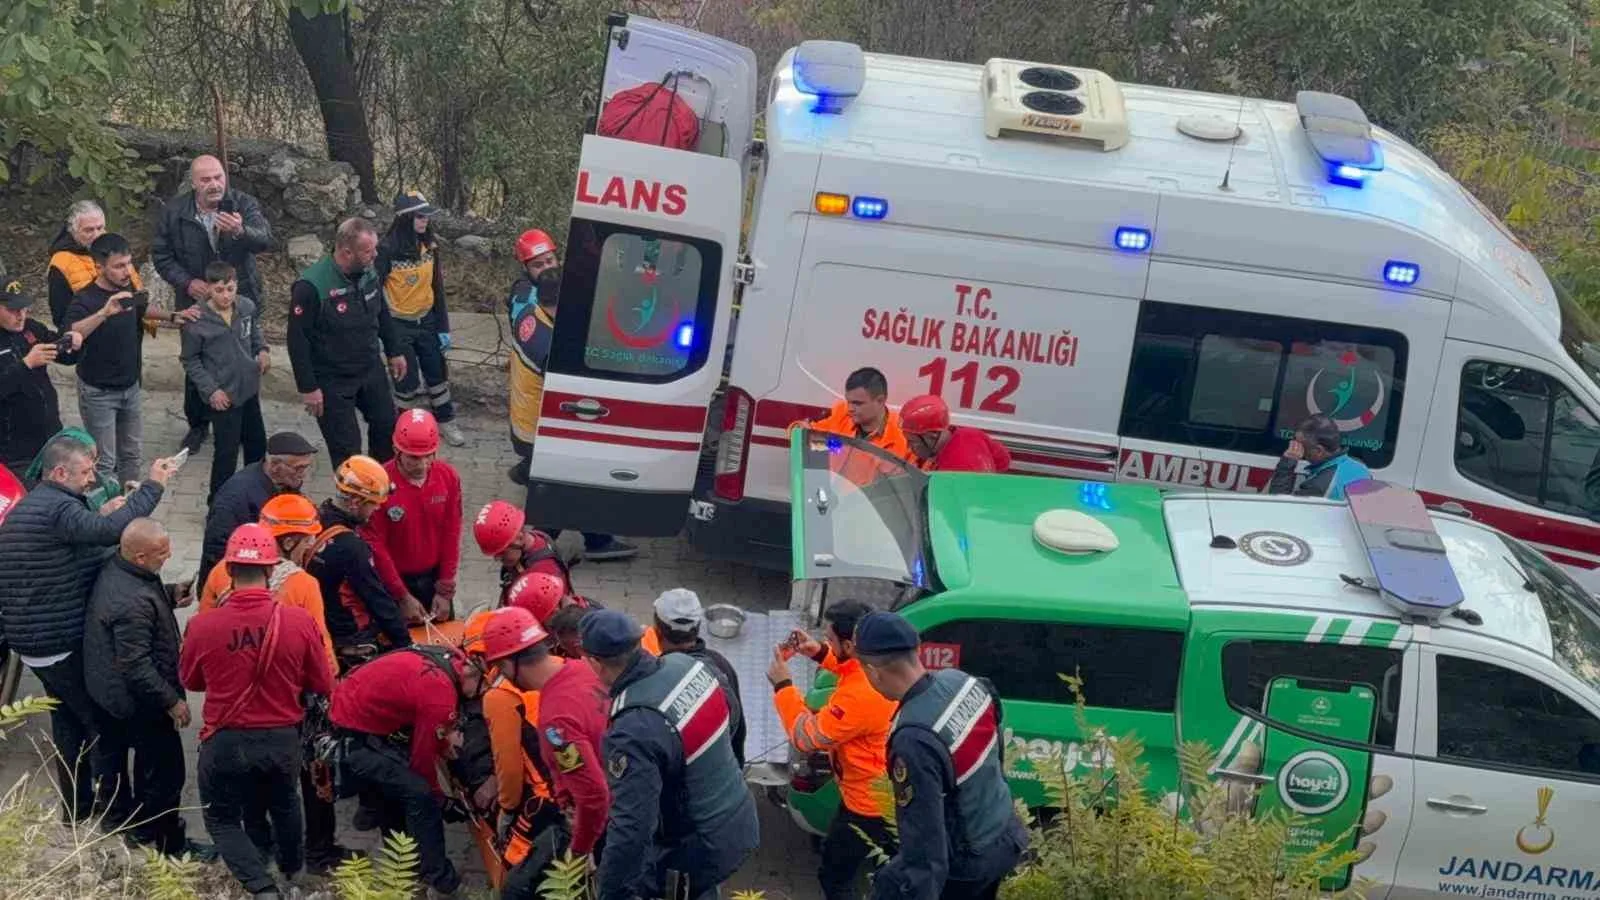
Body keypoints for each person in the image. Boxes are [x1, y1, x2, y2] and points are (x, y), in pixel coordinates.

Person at [0, 434, 173, 822]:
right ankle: (115, 814)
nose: (91, 478)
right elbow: (109, 534)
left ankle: (75, 811)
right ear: (60, 472)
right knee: (102, 725)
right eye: (85, 471)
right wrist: (154, 485)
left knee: (68, 722)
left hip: (34, 641)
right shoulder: (58, 509)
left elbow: (88, 535)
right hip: (55, 642)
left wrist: (107, 513)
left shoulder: (44, 504)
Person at [181, 523, 336, 899]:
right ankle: (291, 873)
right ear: (271, 571)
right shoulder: (298, 622)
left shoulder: (203, 625)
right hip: (282, 737)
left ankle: (260, 886)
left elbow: (192, 681)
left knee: (220, 818)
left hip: (225, 739)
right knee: (284, 802)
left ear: (229, 571)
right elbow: (322, 682)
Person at [586, 609, 758, 900]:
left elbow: (633, 828)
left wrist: (610, 891)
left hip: (696, 848)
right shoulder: (686, 665)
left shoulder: (632, 728)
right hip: (739, 818)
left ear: (595, 663)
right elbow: (732, 717)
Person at [854, 612, 1027, 900]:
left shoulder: (913, 737)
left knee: (889, 886)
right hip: (1005, 834)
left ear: (873, 671)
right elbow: (995, 757)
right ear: (917, 650)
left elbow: (924, 848)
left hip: (967, 860)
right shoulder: (966, 682)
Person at [81, 518, 212, 859]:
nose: (167, 558)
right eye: (161, 553)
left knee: (122, 759)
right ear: (140, 556)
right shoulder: (132, 601)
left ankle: (125, 821)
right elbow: (136, 665)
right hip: (137, 701)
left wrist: (167, 594)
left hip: (107, 692)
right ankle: (166, 841)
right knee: (166, 773)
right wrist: (172, 701)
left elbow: (142, 607)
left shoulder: (121, 569)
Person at [503, 229, 637, 561]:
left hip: (530, 420)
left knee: (571, 483)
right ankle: (534, 548)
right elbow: (569, 382)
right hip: (537, 428)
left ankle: (596, 540)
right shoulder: (549, 343)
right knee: (564, 489)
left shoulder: (532, 316)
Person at [330, 640, 489, 895]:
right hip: (354, 733)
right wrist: (442, 800)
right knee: (421, 794)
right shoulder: (441, 695)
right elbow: (422, 762)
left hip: (355, 704)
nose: (477, 697)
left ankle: (402, 864)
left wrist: (442, 743)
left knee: (391, 794)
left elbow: (428, 729)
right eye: (480, 690)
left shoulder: (450, 657)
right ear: (472, 673)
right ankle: (440, 879)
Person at [768, 600, 897, 900]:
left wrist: (783, 685)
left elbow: (805, 737)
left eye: (829, 639)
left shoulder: (858, 699)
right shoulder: (882, 660)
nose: (825, 641)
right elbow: (852, 669)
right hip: (882, 790)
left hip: (866, 805)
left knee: (835, 877)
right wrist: (820, 652)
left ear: (851, 644)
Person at [152, 154, 272, 454]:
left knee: (243, 360)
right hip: (197, 303)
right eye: (205, 180)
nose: (214, 185)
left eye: (218, 177)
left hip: (239, 298)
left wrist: (240, 231)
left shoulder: (242, 204)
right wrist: (187, 282)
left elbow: (266, 240)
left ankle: (245, 423)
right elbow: (162, 256)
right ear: (193, 183)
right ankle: (197, 426)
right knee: (198, 363)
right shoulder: (175, 211)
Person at [488, 605, 612, 878]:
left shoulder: (557, 722)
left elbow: (594, 795)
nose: (502, 675)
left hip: (602, 820)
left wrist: (580, 851)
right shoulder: (581, 667)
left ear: (509, 662)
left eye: (499, 667)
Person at [66, 234, 194, 486]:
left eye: (128, 264)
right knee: (103, 461)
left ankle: (129, 504)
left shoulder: (128, 288)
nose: (127, 271)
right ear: (99, 267)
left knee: (132, 456)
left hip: (130, 388)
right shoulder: (85, 299)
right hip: (98, 393)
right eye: (118, 266)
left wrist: (171, 315)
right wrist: (104, 313)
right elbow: (71, 332)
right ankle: (103, 512)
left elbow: (140, 308)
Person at [287, 217, 405, 468]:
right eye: (368, 251)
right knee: (348, 449)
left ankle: (383, 489)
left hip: (369, 368)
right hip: (332, 379)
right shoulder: (311, 287)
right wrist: (308, 388)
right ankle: (353, 502)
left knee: (387, 427)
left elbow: (381, 311)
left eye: (375, 248)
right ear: (346, 252)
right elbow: (297, 341)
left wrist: (395, 350)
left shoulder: (369, 271)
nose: (375, 255)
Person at [459, 609, 558, 885]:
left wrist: (507, 810)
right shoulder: (565, 665)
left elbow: (509, 769)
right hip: (584, 786)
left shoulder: (502, 696)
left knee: (516, 876)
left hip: (548, 798)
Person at [198, 493, 338, 666]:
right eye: (307, 540)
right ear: (288, 543)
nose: (311, 546)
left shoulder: (221, 570)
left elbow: (203, 632)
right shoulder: (304, 584)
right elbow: (320, 649)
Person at [305, 455, 414, 666]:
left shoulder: (316, 519)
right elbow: (377, 599)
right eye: (373, 504)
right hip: (351, 637)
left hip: (323, 623)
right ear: (355, 502)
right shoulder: (352, 548)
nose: (377, 510)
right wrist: (406, 645)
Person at [379, 191, 465, 448]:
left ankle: (447, 422)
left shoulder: (431, 245)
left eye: (427, 216)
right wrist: (384, 334)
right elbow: (376, 295)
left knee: (437, 374)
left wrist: (443, 327)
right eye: (419, 216)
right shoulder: (386, 250)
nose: (425, 221)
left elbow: (437, 287)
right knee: (406, 381)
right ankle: (403, 429)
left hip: (426, 321)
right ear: (404, 218)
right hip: (399, 324)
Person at [181, 261, 270, 503]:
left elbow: (255, 333)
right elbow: (190, 360)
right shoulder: (196, 320)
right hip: (223, 396)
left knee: (257, 446)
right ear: (208, 288)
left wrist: (262, 350)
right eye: (219, 290)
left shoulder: (246, 307)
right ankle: (218, 503)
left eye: (230, 289)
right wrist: (211, 391)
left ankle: (257, 497)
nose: (226, 296)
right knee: (226, 453)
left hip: (249, 390)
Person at [363, 410, 463, 623]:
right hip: (394, 581)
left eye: (429, 456)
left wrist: (445, 589)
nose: (422, 465)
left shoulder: (448, 478)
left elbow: (451, 532)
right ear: (396, 450)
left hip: (434, 579)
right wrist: (401, 596)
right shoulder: (379, 484)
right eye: (414, 458)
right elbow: (376, 545)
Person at [199, 431, 318, 580]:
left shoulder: (282, 482)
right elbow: (217, 548)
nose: (303, 474)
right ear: (275, 465)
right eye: (298, 468)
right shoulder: (235, 498)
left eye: (306, 467)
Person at [650, 588, 746, 765]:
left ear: (657, 632)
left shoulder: (651, 678)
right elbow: (738, 733)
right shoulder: (720, 664)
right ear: (699, 628)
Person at [1, 279, 81, 472]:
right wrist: (26, 364)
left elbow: (64, 356)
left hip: (50, 436)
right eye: (12, 310)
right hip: (13, 449)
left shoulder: (32, 328)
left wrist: (73, 342)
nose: (21, 315)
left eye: (24, 308)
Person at [505, 228, 560, 486]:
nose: (547, 267)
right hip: (532, 407)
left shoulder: (553, 284)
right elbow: (535, 339)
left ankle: (525, 470)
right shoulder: (524, 297)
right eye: (539, 264)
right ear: (526, 268)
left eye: (550, 260)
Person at [792, 367, 911, 462]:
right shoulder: (841, 413)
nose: (850, 409)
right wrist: (799, 430)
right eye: (848, 401)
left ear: (880, 400)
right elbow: (806, 434)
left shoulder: (903, 437)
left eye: (857, 404)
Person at [1269, 414, 1372, 501]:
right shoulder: (1360, 466)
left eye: (1300, 445)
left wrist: (1286, 465)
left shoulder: (1317, 487)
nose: (1296, 448)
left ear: (1319, 451)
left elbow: (1281, 508)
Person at [45, 200, 114, 330]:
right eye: (89, 230)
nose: (96, 235)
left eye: (100, 228)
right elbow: (60, 317)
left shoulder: (111, 250)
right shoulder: (61, 262)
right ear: (73, 231)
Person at [900, 395, 1011, 474]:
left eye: (912, 441)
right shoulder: (971, 433)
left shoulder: (949, 472)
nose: (909, 447)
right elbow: (1004, 460)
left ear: (932, 435)